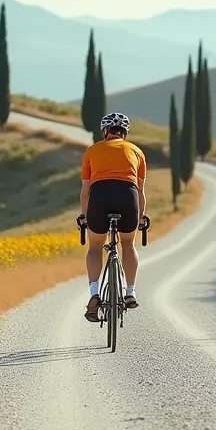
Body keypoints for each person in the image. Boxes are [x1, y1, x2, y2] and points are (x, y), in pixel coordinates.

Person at [77, 111, 147, 322]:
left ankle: (94, 293)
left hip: (100, 197)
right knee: (128, 243)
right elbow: (141, 191)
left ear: (105, 132)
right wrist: (141, 217)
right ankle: (130, 292)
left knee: (96, 246)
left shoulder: (92, 150)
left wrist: (84, 216)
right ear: (124, 133)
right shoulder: (137, 151)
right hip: (128, 196)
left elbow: (85, 192)